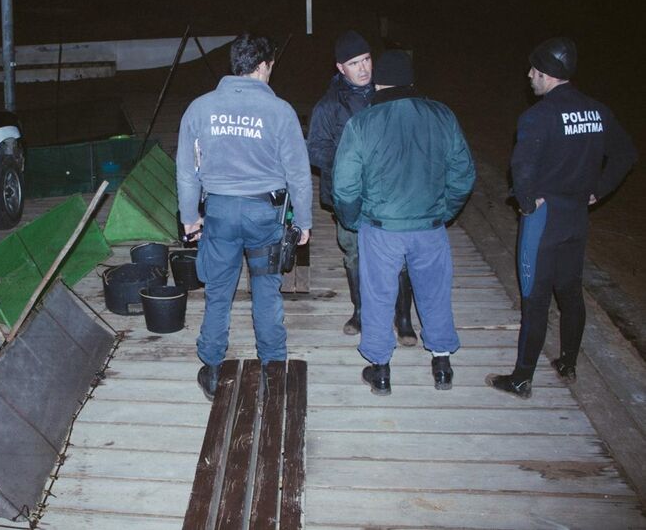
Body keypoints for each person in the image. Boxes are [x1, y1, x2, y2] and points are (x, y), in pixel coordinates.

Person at [486, 37, 637, 399]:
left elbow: (522, 168)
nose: (529, 76)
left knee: (534, 298)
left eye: (534, 70)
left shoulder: (538, 116)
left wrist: (526, 204)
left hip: (544, 219)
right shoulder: (597, 111)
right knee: (570, 291)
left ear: (547, 74)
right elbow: (626, 154)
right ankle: (568, 363)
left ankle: (522, 379)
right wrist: (598, 190)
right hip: (576, 218)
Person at [176, 32, 312, 400]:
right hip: (265, 215)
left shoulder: (200, 108)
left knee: (218, 292)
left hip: (219, 213)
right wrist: (303, 221)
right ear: (264, 66)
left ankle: (212, 369)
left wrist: (189, 217)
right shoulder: (281, 111)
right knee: (266, 291)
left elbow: (187, 172)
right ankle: (273, 367)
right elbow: (299, 174)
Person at [333, 50, 475, 395]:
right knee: (435, 293)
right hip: (430, 226)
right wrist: (444, 212)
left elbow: (345, 186)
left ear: (379, 82)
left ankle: (381, 371)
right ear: (411, 81)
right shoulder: (442, 115)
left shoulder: (362, 123)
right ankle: (442, 365)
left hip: (381, 228)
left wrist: (353, 220)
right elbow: (463, 175)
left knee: (378, 296)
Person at [307, 31, 417, 345]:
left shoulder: (390, 93)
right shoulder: (329, 105)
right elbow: (316, 150)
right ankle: (360, 311)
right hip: (350, 196)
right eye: (354, 63)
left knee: (399, 256)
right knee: (354, 253)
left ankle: (404, 318)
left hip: (391, 195)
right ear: (341, 67)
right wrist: (351, 168)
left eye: (366, 59)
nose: (363, 68)